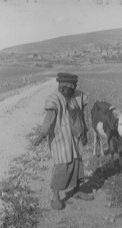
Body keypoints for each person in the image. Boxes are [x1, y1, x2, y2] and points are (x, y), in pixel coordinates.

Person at [33, 73, 94, 210]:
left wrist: (84, 131)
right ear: (59, 86)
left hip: (76, 137)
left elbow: (82, 115)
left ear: (74, 87)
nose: (67, 90)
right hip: (61, 137)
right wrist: (42, 134)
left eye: (70, 88)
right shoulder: (54, 99)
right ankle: (56, 196)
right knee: (62, 165)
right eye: (64, 87)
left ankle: (77, 189)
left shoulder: (78, 96)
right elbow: (48, 120)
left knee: (77, 162)